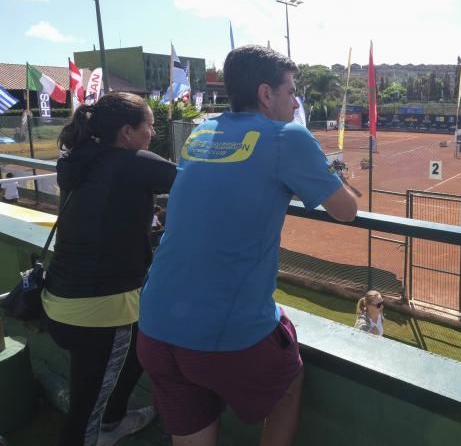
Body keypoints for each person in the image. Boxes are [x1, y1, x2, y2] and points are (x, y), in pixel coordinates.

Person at [137, 45, 358, 446]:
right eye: (291, 91)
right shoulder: (288, 137)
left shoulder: (204, 130)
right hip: (222, 333)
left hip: (154, 325)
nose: (296, 101)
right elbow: (346, 209)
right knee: (288, 383)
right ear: (265, 94)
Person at [41, 92, 177, 446]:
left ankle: (114, 420)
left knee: (139, 349)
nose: (152, 132)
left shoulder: (81, 158)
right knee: (85, 413)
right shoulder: (132, 162)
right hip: (98, 311)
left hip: (59, 300)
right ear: (127, 132)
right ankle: (102, 427)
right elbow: (195, 182)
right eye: (148, 125)